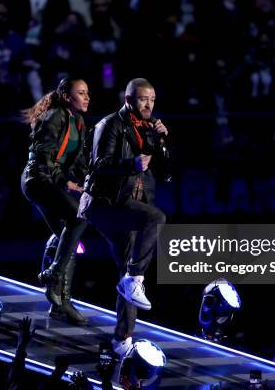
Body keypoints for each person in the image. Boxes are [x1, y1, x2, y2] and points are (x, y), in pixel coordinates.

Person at [78, 78, 170, 358]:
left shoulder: (150, 129)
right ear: (129, 100)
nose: (149, 105)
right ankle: (133, 281)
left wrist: (163, 144)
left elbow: (164, 173)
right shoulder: (111, 125)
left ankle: (123, 339)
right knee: (156, 219)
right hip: (106, 204)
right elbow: (98, 164)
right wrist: (131, 163)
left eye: (152, 100)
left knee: (129, 274)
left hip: (131, 206)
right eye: (143, 99)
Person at [21, 77, 90, 325]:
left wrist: (89, 182)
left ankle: (61, 303)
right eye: (81, 93)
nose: (87, 97)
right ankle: (53, 275)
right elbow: (43, 157)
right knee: (78, 219)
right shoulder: (55, 117)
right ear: (66, 97)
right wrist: (65, 182)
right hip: (38, 180)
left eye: (87, 93)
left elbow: (79, 160)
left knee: (68, 240)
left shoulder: (78, 121)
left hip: (51, 181)